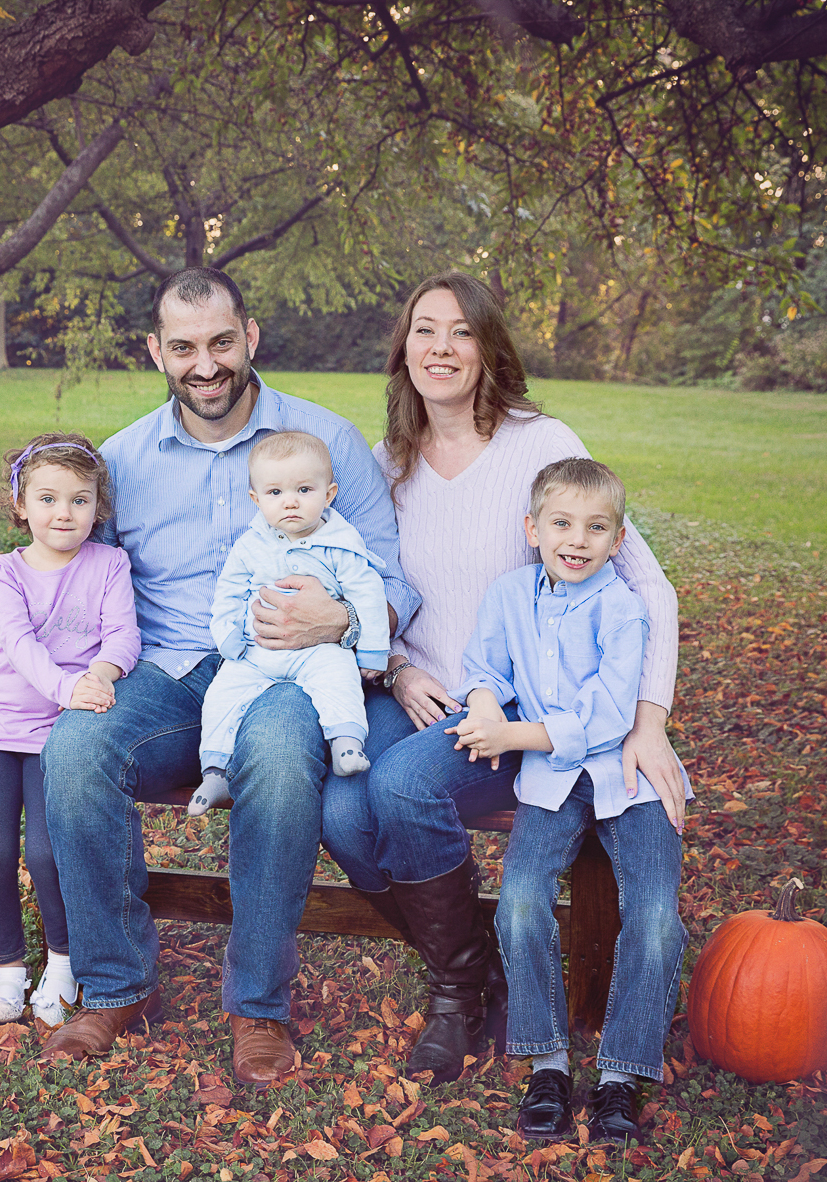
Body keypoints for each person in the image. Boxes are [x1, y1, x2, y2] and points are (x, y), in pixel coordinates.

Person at [0, 266, 420, 1082]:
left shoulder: (325, 443)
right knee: (79, 750)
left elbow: (394, 578)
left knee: (276, 754)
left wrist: (347, 621)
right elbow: (60, 582)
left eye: (222, 342)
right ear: (156, 350)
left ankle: (256, 1008)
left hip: (284, 672)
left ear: (250, 338)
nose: (206, 364)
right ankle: (117, 986)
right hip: (159, 673)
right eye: (184, 347)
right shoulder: (122, 460)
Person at [313, 272, 685, 1084]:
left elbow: (646, 584)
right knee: (338, 807)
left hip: (517, 709)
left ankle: (455, 996)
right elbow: (362, 592)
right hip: (412, 690)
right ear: (402, 348)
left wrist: (648, 722)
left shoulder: (541, 445)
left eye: (460, 332)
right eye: (424, 330)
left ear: (488, 349)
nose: (440, 348)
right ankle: (474, 963)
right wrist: (401, 666)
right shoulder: (389, 464)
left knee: (404, 789)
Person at [443, 458, 689, 1144]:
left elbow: (609, 716)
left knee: (656, 916)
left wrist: (508, 734)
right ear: (533, 528)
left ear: (617, 540)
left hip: (627, 776)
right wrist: (484, 707)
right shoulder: (509, 594)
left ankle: (619, 1077)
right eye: (561, 523)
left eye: (595, 527)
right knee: (521, 900)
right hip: (550, 783)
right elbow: (484, 669)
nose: (576, 539)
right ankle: (547, 1062)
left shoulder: (622, 607)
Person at [0, 432, 138, 1026]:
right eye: (48, 499)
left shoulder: (109, 563)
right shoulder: (3, 574)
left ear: (98, 507)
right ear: (22, 505)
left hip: (60, 730)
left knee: (47, 854)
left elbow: (122, 636)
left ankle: (61, 961)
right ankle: (8, 971)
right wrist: (69, 688)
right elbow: (20, 645)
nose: (64, 513)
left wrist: (103, 675)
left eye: (80, 500)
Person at [187, 430, 389, 813]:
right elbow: (227, 591)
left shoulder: (340, 543)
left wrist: (374, 651)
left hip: (318, 649)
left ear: (328, 494)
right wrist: (227, 636)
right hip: (255, 651)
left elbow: (369, 594)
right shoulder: (251, 544)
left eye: (304, 491)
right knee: (221, 697)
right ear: (256, 499)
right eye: (275, 493)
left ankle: (346, 743)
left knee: (338, 678)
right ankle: (215, 772)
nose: (290, 502)